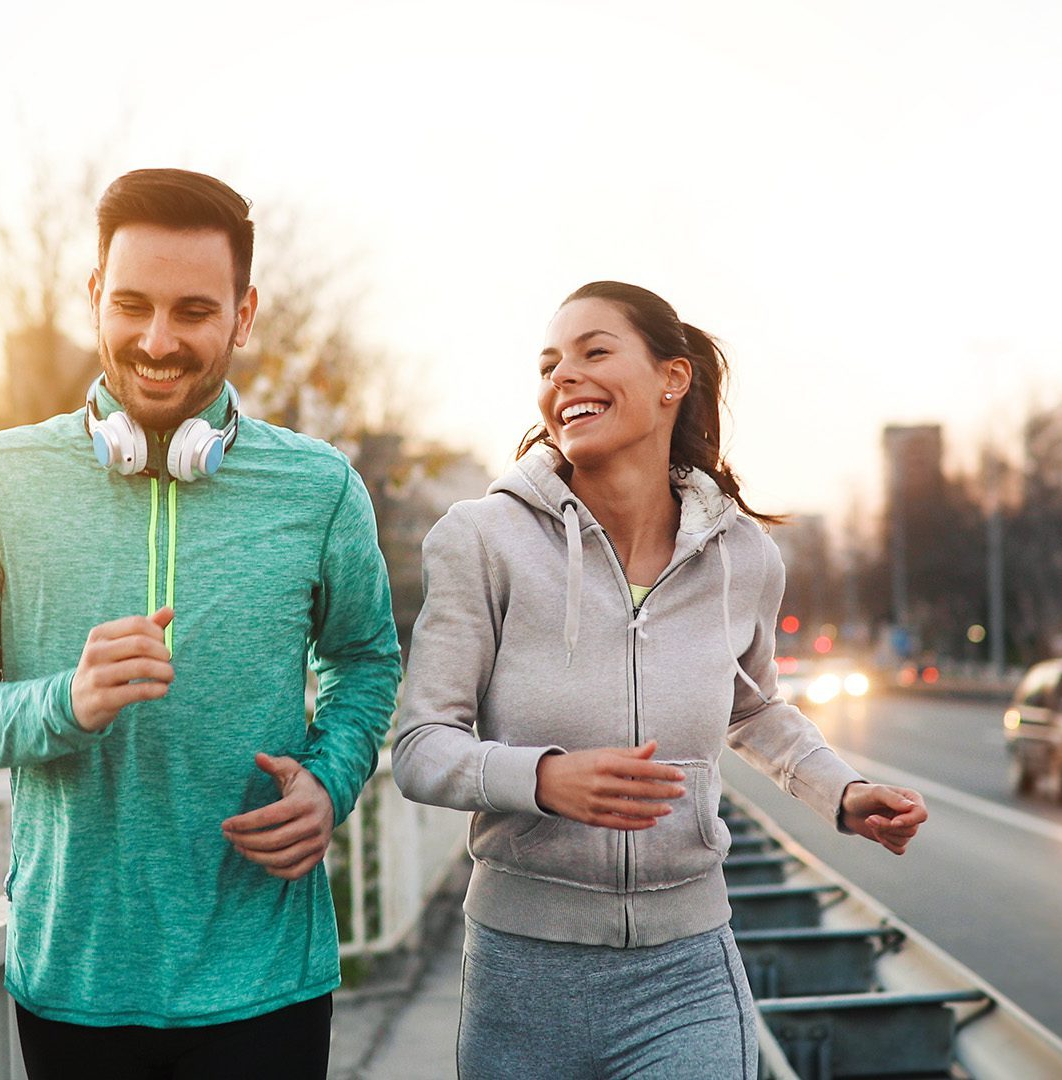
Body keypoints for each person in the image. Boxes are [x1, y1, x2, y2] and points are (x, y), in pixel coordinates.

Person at [0, 168, 400, 1080]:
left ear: (244, 316)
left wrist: (332, 781)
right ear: (95, 298)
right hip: (75, 980)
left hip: (268, 981)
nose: (158, 340)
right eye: (132, 304)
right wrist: (67, 701)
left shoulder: (322, 487)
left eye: (194, 311)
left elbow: (366, 662)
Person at [392, 281, 928, 1079]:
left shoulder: (744, 557)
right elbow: (420, 747)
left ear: (671, 379)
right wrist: (541, 778)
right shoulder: (482, 539)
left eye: (594, 352)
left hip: (688, 966)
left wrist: (842, 793)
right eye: (549, 364)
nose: (563, 377)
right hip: (525, 971)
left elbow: (754, 709)